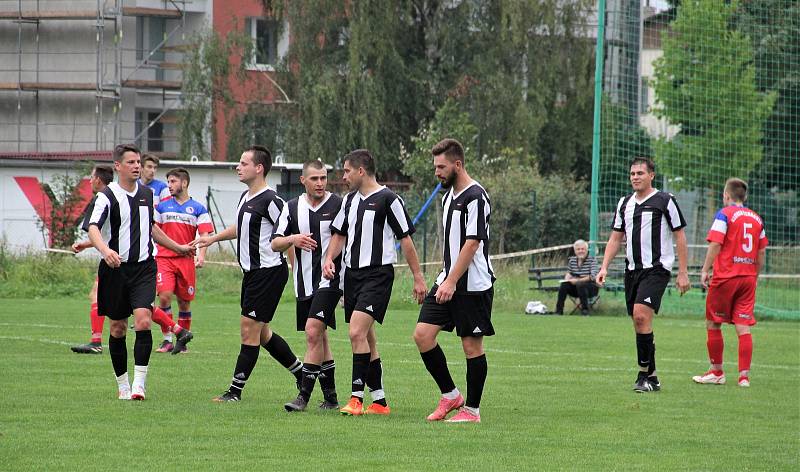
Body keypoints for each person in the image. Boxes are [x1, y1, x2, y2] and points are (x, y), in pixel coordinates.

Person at [193, 146, 304, 403]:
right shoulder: (246, 197)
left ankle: (234, 391)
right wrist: (211, 239)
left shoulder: (272, 201)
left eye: (243, 163)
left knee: (248, 330)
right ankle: (302, 373)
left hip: (268, 273)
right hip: (252, 274)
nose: (238, 167)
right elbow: (239, 228)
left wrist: (297, 271)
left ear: (259, 168)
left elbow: (288, 235)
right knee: (262, 333)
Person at [84, 144, 194, 400]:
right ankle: (122, 385)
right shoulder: (107, 196)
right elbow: (93, 228)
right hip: (115, 269)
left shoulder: (146, 194)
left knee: (143, 320)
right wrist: (105, 251)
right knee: (118, 328)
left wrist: (178, 247)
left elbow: (152, 228)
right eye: (131, 162)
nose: (136, 166)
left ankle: (139, 385)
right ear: (118, 166)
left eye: (138, 162)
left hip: (144, 268)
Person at [323, 149, 427, 416]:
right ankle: (379, 401)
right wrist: (328, 259)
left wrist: (418, 277)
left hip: (378, 275)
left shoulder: (388, 199)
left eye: (347, 171)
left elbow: (406, 240)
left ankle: (356, 398)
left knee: (356, 332)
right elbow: (339, 234)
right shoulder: (348, 201)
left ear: (360, 171)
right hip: (352, 275)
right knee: (367, 337)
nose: (343, 176)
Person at [413, 138, 496, 424]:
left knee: (471, 346)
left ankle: (472, 411)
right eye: (435, 166)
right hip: (446, 279)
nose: (436, 172)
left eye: (441, 166)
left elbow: (472, 243)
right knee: (423, 335)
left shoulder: (476, 196)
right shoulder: (447, 195)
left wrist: (451, 281)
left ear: (457, 164)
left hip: (473, 285)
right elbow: (451, 243)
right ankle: (450, 395)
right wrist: (442, 277)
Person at [596, 156, 690, 393]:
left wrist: (683, 273)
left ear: (651, 175)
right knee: (641, 323)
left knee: (640, 316)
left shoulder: (665, 200)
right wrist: (604, 266)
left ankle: (642, 375)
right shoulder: (624, 203)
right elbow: (616, 237)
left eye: (640, 173)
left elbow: (679, 236)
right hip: (632, 270)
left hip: (657, 269)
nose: (635, 177)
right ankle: (653, 377)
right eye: (632, 174)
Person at [272, 159, 343, 412]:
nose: (320, 183)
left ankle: (303, 396)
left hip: (331, 280)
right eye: (315, 178)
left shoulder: (338, 204)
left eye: (323, 177)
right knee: (320, 336)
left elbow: (348, 236)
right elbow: (275, 243)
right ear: (303, 180)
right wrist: (294, 238)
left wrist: (332, 260)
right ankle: (332, 397)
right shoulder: (292, 208)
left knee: (313, 332)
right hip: (303, 283)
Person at [692, 178, 767, 388]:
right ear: (745, 197)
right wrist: (755, 276)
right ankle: (744, 377)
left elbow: (716, 243)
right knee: (743, 327)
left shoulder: (724, 214)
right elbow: (761, 251)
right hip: (747, 278)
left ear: (726, 196)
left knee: (713, 322)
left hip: (726, 277)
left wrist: (705, 270)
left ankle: (716, 372)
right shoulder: (756, 219)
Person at [153, 167, 213, 353]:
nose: (169, 185)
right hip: (164, 258)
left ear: (184, 183)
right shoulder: (161, 207)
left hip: (186, 261)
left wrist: (201, 256)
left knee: (184, 302)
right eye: (168, 182)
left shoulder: (198, 208)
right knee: (164, 297)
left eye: (173, 181)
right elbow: (154, 231)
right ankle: (167, 339)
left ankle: (182, 343)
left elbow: (205, 234)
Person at [70, 165, 113, 354]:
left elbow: (95, 231)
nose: (89, 181)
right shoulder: (117, 196)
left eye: (91, 177)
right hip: (120, 254)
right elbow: (106, 234)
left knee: (97, 296)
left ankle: (96, 342)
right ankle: (177, 330)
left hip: (112, 257)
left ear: (98, 180)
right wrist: (85, 245)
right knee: (137, 304)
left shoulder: (100, 200)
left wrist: (86, 244)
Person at [554, 239, 599, 316]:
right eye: (578, 249)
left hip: (591, 288)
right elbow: (569, 273)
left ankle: (585, 311)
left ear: (586, 250)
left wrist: (578, 280)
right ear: (575, 251)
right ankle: (559, 311)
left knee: (580, 284)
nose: (580, 251)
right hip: (576, 288)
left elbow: (593, 276)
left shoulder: (592, 260)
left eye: (583, 249)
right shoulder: (572, 261)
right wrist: (567, 279)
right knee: (564, 285)